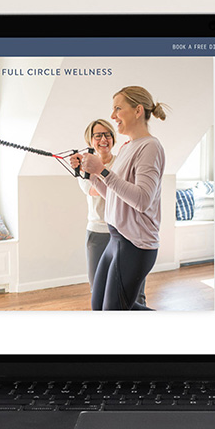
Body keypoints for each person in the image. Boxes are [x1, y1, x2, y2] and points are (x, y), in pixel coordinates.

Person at [76, 86, 168, 311]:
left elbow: (143, 199)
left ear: (138, 110)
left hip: (135, 244)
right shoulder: (128, 147)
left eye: (118, 108)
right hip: (117, 238)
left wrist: (104, 171)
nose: (113, 116)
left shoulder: (150, 147)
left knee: (114, 310)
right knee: (99, 306)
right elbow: (114, 196)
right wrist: (91, 173)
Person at [73, 118, 146, 307]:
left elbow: (129, 192)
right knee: (98, 290)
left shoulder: (123, 161)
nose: (103, 139)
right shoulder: (85, 166)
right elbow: (94, 190)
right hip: (98, 233)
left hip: (126, 232)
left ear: (113, 139)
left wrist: (98, 170)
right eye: (98, 136)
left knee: (135, 293)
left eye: (107, 135)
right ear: (90, 141)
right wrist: (87, 168)